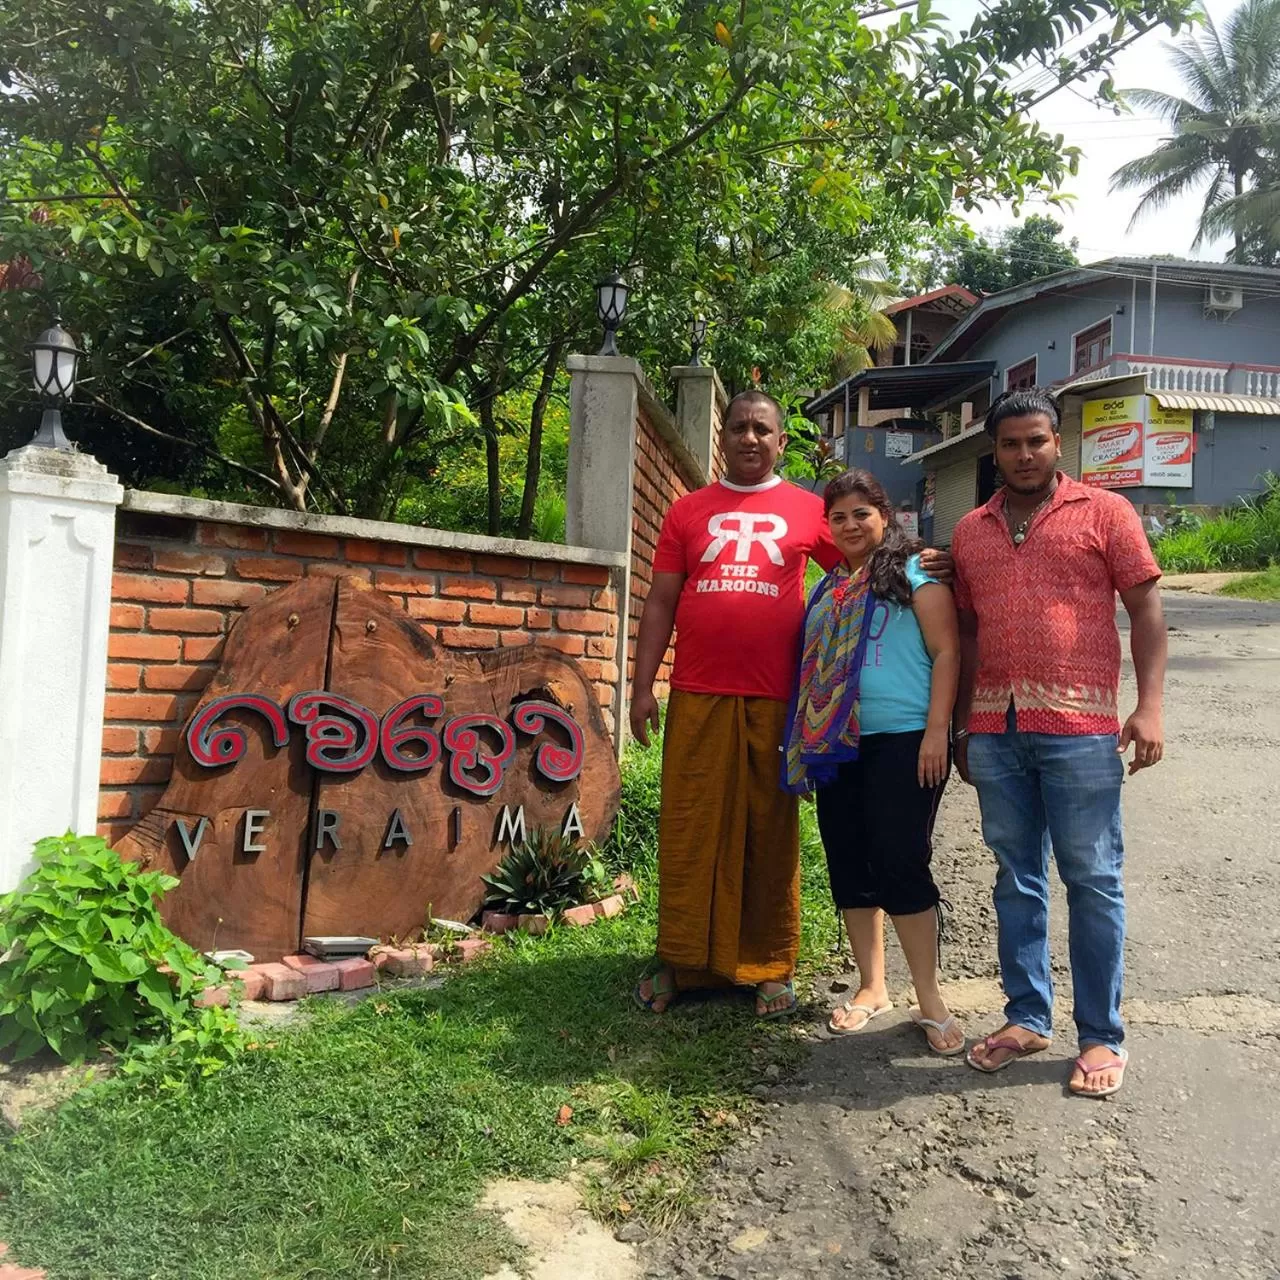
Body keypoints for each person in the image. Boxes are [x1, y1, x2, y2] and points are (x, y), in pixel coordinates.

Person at [630, 391, 951, 1017]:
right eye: (739, 428)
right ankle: (681, 959)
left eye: (763, 430)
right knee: (691, 827)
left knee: (768, 832)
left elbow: (869, 569)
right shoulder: (686, 511)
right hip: (697, 691)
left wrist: (934, 560)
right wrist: (643, 686)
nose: (750, 439)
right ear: (722, 436)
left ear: (781, 442)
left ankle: (768, 964)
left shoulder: (814, 512)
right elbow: (662, 601)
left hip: (781, 700)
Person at [951, 388, 1167, 1098]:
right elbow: (970, 633)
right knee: (1016, 880)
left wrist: (1151, 706)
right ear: (995, 451)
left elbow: (1144, 610)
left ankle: (1101, 1035)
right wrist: (961, 724)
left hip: (1081, 730)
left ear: (1057, 442)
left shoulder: (1105, 513)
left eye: (1036, 441)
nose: (1023, 455)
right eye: (1010, 444)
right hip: (995, 728)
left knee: (1093, 879)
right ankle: (1027, 1017)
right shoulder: (970, 531)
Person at [783, 469, 964, 1054]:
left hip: (905, 739)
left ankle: (930, 1001)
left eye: (861, 512)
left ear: (884, 516)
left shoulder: (915, 571)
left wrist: (938, 731)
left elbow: (946, 652)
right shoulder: (829, 586)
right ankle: (872, 987)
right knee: (850, 862)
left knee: (899, 861)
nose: (850, 524)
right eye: (838, 516)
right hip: (839, 746)